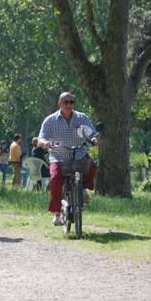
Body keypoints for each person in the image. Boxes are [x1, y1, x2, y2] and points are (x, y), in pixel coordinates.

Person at [37, 92, 99, 226]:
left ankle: (82, 189)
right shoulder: (50, 120)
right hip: (58, 156)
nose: (69, 105)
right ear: (59, 104)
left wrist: (94, 139)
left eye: (71, 102)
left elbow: (91, 133)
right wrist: (46, 143)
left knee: (93, 168)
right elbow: (41, 138)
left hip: (79, 154)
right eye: (65, 102)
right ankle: (57, 214)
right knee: (55, 180)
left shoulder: (82, 117)